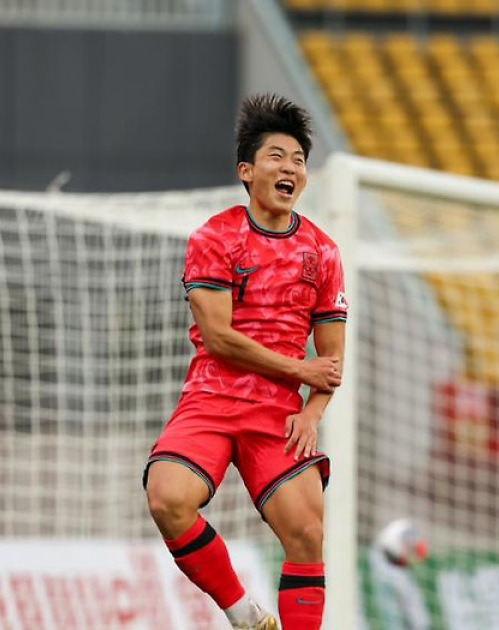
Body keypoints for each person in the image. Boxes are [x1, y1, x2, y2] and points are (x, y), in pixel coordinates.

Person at [142, 93, 346, 630]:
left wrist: (312, 412)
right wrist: (301, 372)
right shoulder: (215, 237)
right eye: (277, 156)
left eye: (299, 160)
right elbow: (219, 337)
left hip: (278, 415)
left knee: (307, 532)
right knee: (167, 498)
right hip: (212, 397)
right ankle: (245, 614)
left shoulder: (322, 253)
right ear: (247, 170)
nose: (291, 168)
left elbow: (331, 360)